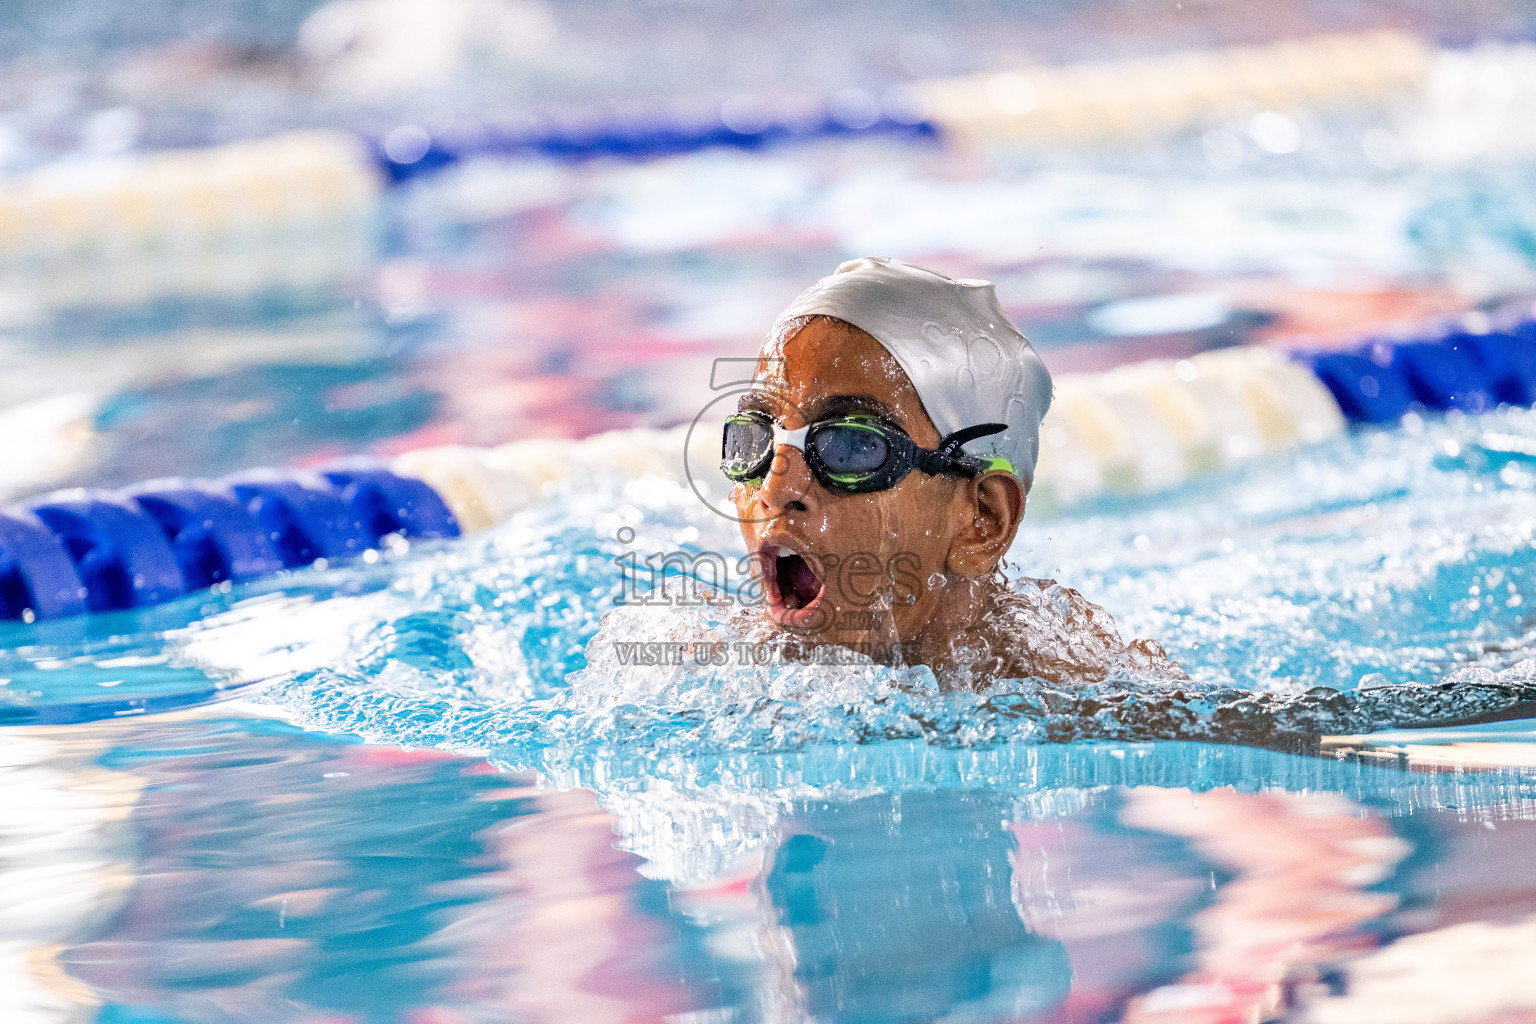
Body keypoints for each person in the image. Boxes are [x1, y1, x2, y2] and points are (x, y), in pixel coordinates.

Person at [722, 256, 1180, 688]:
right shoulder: (717, 664)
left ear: (982, 518)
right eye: (760, 437)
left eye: (852, 445)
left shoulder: (1085, 712)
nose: (775, 488)